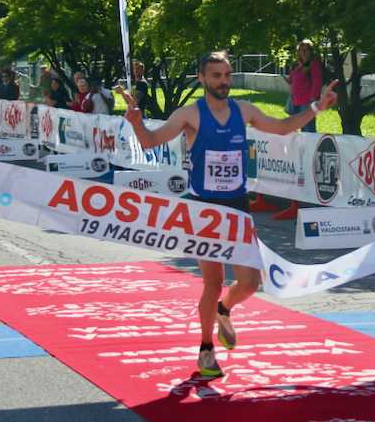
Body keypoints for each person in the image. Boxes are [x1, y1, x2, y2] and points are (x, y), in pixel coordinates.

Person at [116, 50, 338, 378]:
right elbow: (151, 141)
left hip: (237, 205)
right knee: (214, 281)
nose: (224, 82)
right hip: (205, 208)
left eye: (227, 75)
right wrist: (137, 125)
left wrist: (317, 107)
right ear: (202, 78)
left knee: (249, 284)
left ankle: (225, 310)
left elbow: (281, 127)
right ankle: (206, 348)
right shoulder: (189, 114)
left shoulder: (243, 110)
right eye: (216, 76)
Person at [284, 40, 324, 134]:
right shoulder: (301, 65)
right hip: (297, 99)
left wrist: (312, 99)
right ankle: (304, 147)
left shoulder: (314, 63)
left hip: (307, 100)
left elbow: (317, 82)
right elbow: (294, 77)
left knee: (308, 128)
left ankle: (311, 147)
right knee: (302, 128)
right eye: (301, 50)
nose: (304, 52)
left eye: (306, 50)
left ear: (311, 51)